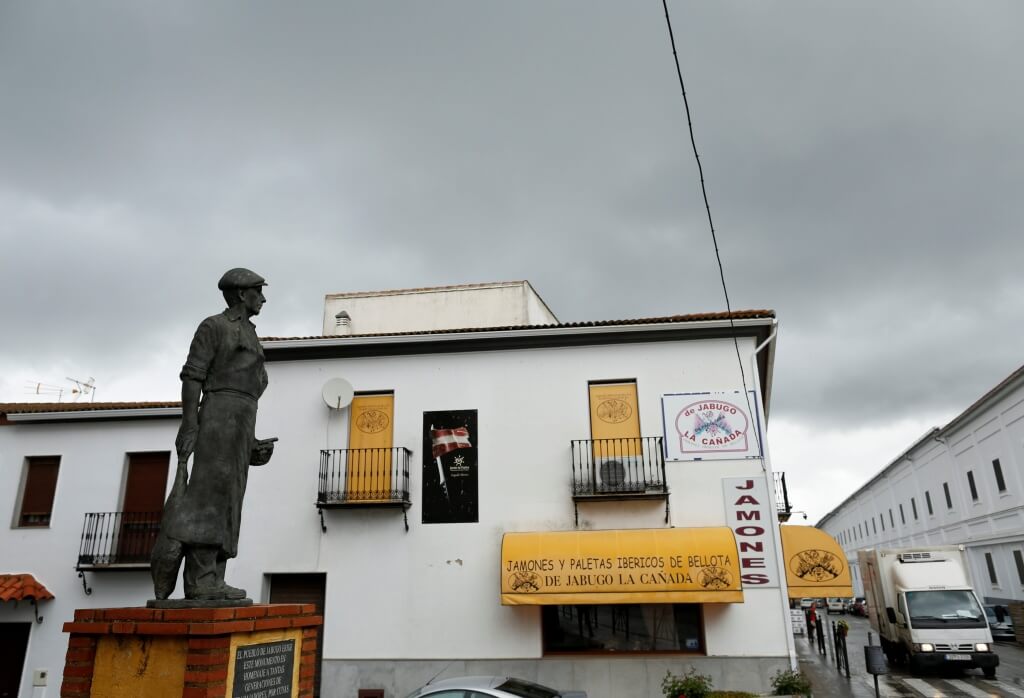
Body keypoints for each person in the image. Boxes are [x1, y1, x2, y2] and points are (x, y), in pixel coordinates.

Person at [151, 268, 276, 601]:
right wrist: (190, 422)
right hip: (218, 413)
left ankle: (215, 577)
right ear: (240, 294)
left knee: (231, 499)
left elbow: (253, 385)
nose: (263, 298)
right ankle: (200, 579)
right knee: (210, 496)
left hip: (242, 418)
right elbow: (192, 376)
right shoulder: (214, 326)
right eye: (258, 291)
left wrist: (251, 442)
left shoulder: (250, 333)